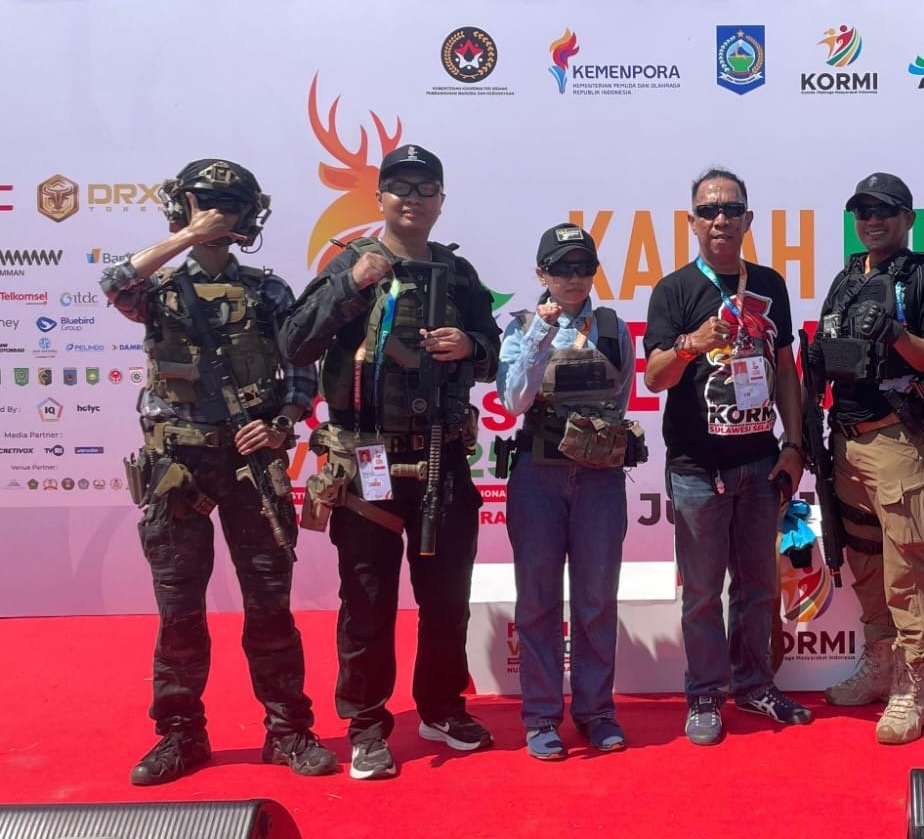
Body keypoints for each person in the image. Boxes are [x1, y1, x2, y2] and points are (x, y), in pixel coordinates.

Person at [102, 159, 336, 785]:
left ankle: (287, 730)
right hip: (177, 468)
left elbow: (302, 373)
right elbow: (113, 282)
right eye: (204, 203)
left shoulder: (269, 292)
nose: (217, 215)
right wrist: (186, 237)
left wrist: (281, 424)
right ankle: (181, 735)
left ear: (247, 217)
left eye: (229, 206)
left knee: (270, 606)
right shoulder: (158, 288)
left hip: (250, 465)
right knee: (179, 611)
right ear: (181, 207)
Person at [282, 144, 500, 780]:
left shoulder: (458, 274)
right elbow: (294, 341)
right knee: (368, 602)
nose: (413, 199)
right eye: (401, 187)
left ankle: (442, 707)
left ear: (441, 200)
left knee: (447, 601)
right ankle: (368, 725)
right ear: (379, 198)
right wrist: (352, 284)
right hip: (364, 462)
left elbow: (492, 354)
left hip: (440, 458)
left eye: (426, 188)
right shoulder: (348, 262)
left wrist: (469, 345)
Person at [642, 167, 812, 745]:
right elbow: (655, 376)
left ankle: (756, 685)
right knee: (701, 593)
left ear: (747, 219)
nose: (721, 219)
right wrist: (692, 344)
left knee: (759, 587)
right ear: (692, 222)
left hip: (760, 463)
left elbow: (784, 368)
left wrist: (794, 445)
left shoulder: (769, 283)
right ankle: (704, 694)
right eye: (709, 210)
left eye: (731, 209)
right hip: (698, 468)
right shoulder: (673, 290)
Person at [496, 224, 638, 760]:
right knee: (537, 600)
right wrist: (540, 334)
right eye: (561, 268)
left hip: (599, 476)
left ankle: (596, 711)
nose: (573, 278)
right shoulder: (521, 326)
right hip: (539, 475)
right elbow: (513, 400)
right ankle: (541, 716)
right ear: (542, 273)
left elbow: (621, 397)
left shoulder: (613, 328)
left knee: (596, 598)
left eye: (583, 268)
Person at [811, 173, 924, 744]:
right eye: (863, 212)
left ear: (908, 218)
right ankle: (880, 660)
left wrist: (893, 332)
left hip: (895, 437)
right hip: (843, 438)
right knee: (863, 556)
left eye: (884, 211)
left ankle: (913, 686)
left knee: (905, 563)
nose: (872, 221)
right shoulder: (846, 278)